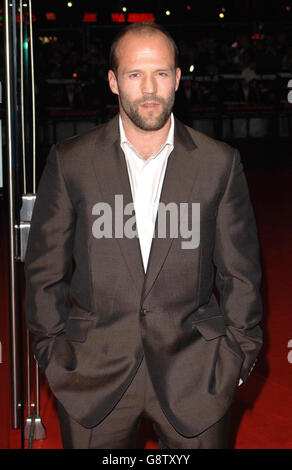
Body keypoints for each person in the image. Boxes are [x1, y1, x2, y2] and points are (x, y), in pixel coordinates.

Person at [24, 22, 263, 449]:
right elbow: (44, 274)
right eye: (135, 74)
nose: (149, 87)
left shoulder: (218, 164)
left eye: (161, 73)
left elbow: (241, 275)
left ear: (178, 78)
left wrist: (235, 361)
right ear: (114, 82)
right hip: (91, 374)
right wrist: (54, 357)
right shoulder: (70, 163)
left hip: (197, 374)